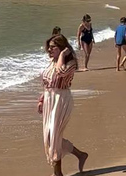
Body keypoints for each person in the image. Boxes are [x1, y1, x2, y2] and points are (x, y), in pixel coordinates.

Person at [38, 35, 88, 176]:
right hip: (49, 99)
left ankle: (57, 173)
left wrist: (63, 55)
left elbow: (60, 73)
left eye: (53, 47)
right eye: (49, 46)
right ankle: (79, 155)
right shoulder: (52, 61)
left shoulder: (70, 63)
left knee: (53, 135)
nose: (49, 49)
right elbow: (48, 81)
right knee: (49, 136)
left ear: (62, 47)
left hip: (61, 100)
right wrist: (41, 99)